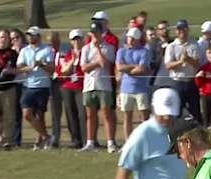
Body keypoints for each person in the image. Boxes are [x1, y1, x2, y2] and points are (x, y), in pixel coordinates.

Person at [79, 21, 117, 153]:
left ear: (101, 33)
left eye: (97, 33)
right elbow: (84, 67)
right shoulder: (85, 49)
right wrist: (96, 63)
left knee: (106, 114)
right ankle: (90, 142)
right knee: (90, 115)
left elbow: (106, 63)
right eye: (92, 33)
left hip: (104, 85)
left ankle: (110, 142)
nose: (94, 36)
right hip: (89, 85)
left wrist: (99, 50)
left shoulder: (109, 47)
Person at [17, 26, 55, 150]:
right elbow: (19, 67)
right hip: (28, 85)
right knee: (27, 114)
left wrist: (41, 65)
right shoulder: (24, 50)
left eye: (32, 35)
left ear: (38, 36)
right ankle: (46, 136)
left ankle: (40, 141)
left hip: (42, 86)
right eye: (28, 35)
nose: (29, 37)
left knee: (40, 115)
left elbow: (51, 69)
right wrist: (30, 68)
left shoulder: (47, 50)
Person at [116, 27, 151, 141]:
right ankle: (128, 141)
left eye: (132, 38)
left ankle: (144, 141)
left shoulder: (144, 51)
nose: (130, 40)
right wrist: (134, 66)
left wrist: (128, 69)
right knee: (127, 117)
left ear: (137, 39)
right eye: (129, 38)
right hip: (125, 89)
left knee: (144, 116)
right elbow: (119, 67)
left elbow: (142, 69)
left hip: (141, 88)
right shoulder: (122, 51)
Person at [164, 20, 201, 120]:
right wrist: (180, 62)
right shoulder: (171, 46)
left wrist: (188, 59)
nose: (182, 32)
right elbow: (168, 65)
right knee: (176, 113)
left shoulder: (194, 44)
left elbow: (197, 64)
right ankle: (177, 135)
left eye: (184, 29)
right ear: (176, 31)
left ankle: (196, 135)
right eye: (179, 29)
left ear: (188, 30)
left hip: (191, 82)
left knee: (195, 113)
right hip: (177, 83)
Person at [60, 29, 85, 149]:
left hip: (81, 86)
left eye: (78, 39)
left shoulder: (86, 52)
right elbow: (64, 71)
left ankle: (85, 139)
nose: (76, 42)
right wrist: (72, 61)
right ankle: (75, 140)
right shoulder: (68, 54)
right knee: (70, 113)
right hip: (68, 86)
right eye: (74, 39)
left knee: (82, 113)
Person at [47, 31, 66, 149]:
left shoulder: (64, 50)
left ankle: (77, 138)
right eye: (49, 42)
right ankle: (55, 138)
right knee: (55, 112)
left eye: (53, 41)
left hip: (65, 82)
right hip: (53, 84)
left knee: (70, 111)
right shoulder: (48, 52)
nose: (51, 44)